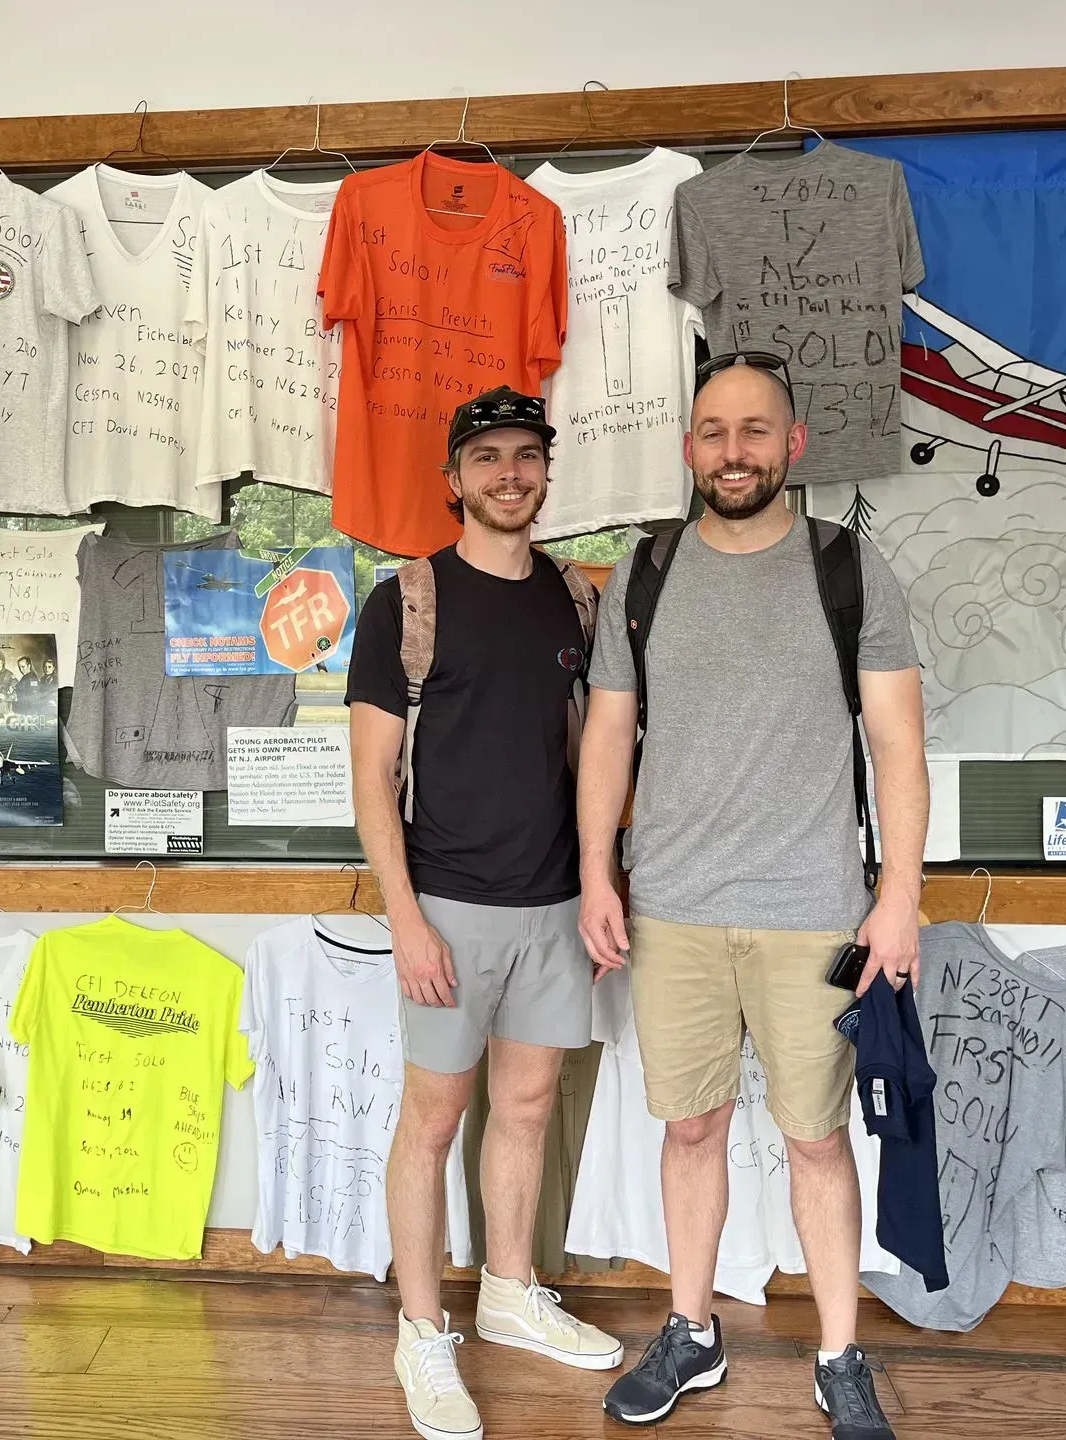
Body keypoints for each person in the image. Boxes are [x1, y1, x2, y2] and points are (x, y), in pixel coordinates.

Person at [580, 355, 928, 1440]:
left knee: (818, 1138)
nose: (735, 450)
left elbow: (899, 746)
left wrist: (900, 897)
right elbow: (605, 736)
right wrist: (598, 870)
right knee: (691, 1129)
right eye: (715, 431)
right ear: (691, 449)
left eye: (756, 430)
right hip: (673, 909)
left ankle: (839, 1353)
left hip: (814, 914)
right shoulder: (645, 574)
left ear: (793, 445)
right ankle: (691, 1331)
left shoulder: (849, 571)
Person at [348, 387, 624, 1440]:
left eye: (527, 457)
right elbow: (373, 779)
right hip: (448, 909)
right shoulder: (406, 602)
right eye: (490, 458)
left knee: (525, 1108)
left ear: (545, 473)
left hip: (554, 902)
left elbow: (598, 755)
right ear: (454, 478)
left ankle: (508, 1292)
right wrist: (407, 921)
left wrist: (602, 885)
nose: (511, 474)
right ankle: (424, 1331)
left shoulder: (575, 601)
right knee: (432, 1120)